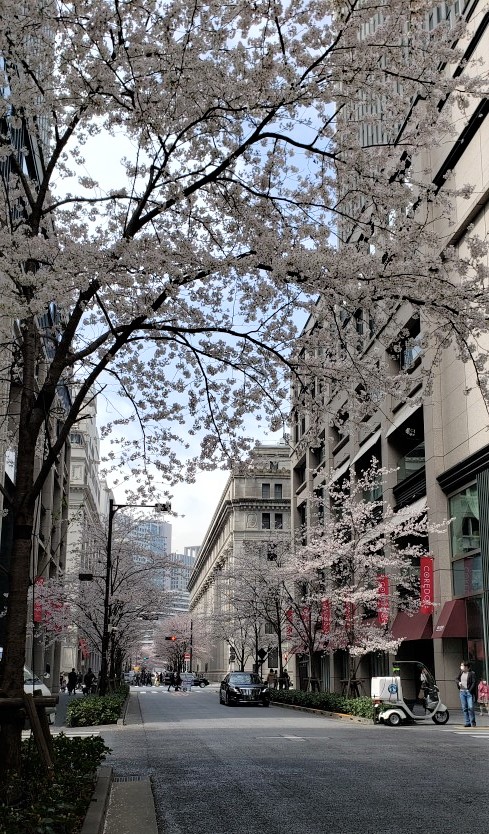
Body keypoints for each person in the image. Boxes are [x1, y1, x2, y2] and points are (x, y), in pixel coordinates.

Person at [456, 661, 477, 727]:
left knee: (470, 707)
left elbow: (474, 682)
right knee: (464, 708)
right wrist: (458, 682)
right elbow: (456, 678)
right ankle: (467, 722)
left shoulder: (471, 673)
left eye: (463, 666)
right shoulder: (461, 672)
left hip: (469, 693)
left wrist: (469, 690)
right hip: (462, 692)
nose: (461, 667)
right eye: (461, 665)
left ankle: (473, 721)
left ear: (467, 667)